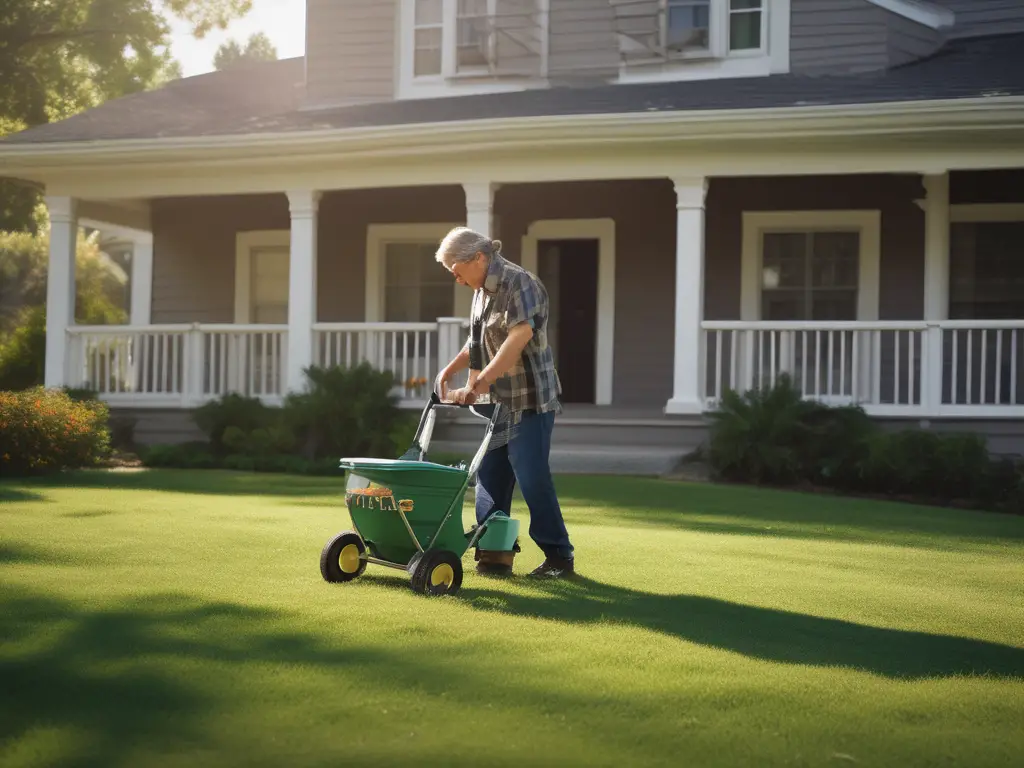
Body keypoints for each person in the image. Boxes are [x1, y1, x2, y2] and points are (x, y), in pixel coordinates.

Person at [434, 226, 575, 579]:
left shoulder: (519, 282)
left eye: (456, 270)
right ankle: (495, 554)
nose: (456, 279)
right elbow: (477, 343)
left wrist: (481, 381)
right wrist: (449, 371)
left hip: (529, 400)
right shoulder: (480, 292)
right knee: (491, 475)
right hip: (499, 404)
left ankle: (559, 557)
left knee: (531, 476)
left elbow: (518, 336)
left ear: (478, 258)